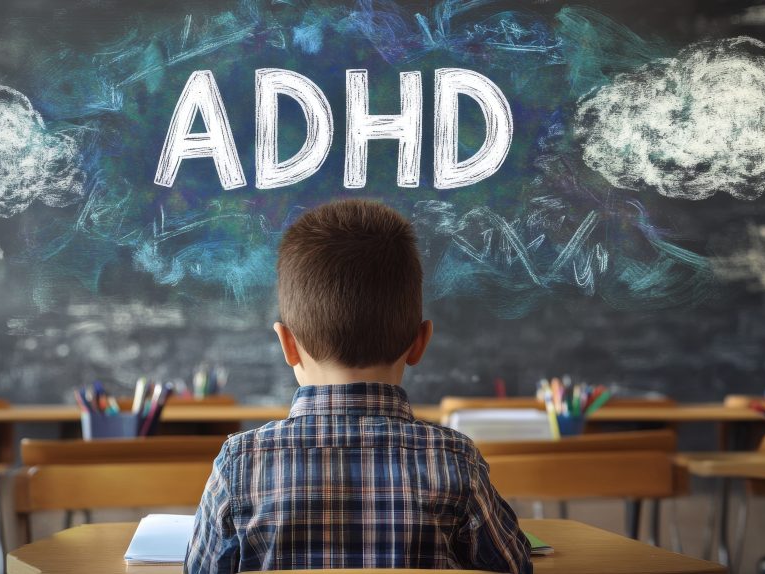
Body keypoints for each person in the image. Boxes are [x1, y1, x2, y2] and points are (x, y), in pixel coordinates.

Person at [185, 199, 532, 573]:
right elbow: (514, 564)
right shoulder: (454, 460)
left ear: (287, 344)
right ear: (420, 342)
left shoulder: (239, 464)